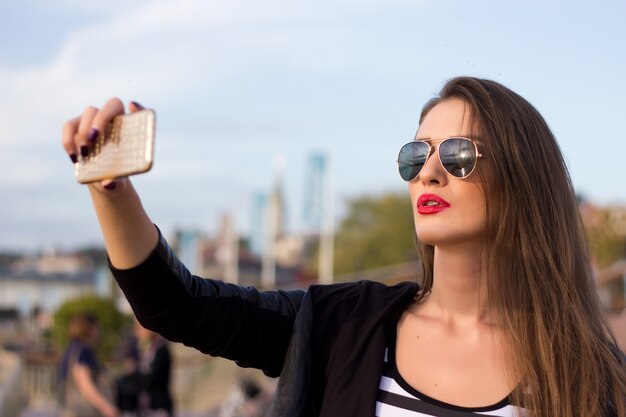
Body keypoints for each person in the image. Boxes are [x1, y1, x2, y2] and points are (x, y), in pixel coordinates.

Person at [61, 77, 626, 417]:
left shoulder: (592, 378)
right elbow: (174, 305)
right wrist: (110, 188)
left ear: (525, 181)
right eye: (415, 155)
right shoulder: (339, 326)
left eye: (458, 154)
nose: (428, 173)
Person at [59, 312, 118, 417]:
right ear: (89, 328)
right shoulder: (84, 350)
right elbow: (84, 383)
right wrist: (107, 407)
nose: (99, 332)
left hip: (71, 408)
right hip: (85, 411)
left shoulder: (72, 348)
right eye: (97, 327)